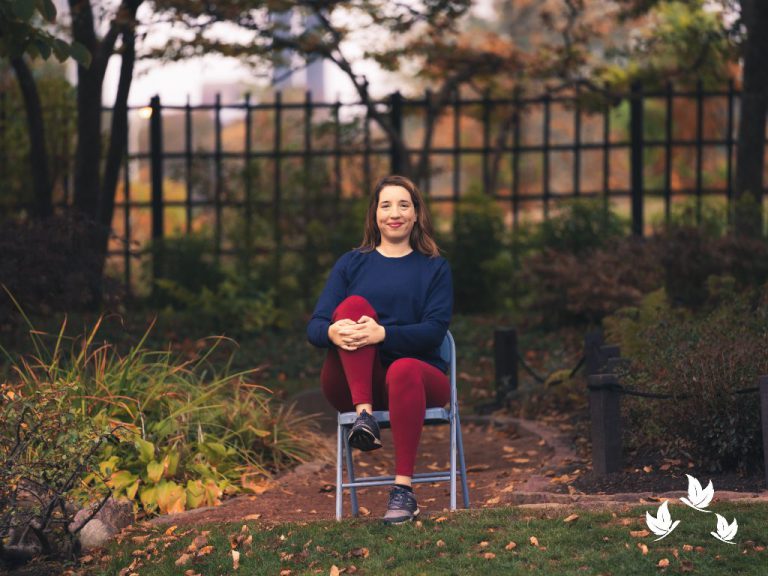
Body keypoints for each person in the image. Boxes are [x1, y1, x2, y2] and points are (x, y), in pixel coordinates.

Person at [306, 174, 453, 524]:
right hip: (356, 386)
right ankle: (364, 414)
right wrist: (332, 332)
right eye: (386, 205)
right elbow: (314, 328)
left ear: (417, 213)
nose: (395, 213)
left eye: (404, 205)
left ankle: (403, 491)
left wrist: (382, 334)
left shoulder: (434, 267)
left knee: (402, 367)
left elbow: (434, 332)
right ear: (375, 214)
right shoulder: (351, 263)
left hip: (417, 382)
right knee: (353, 305)